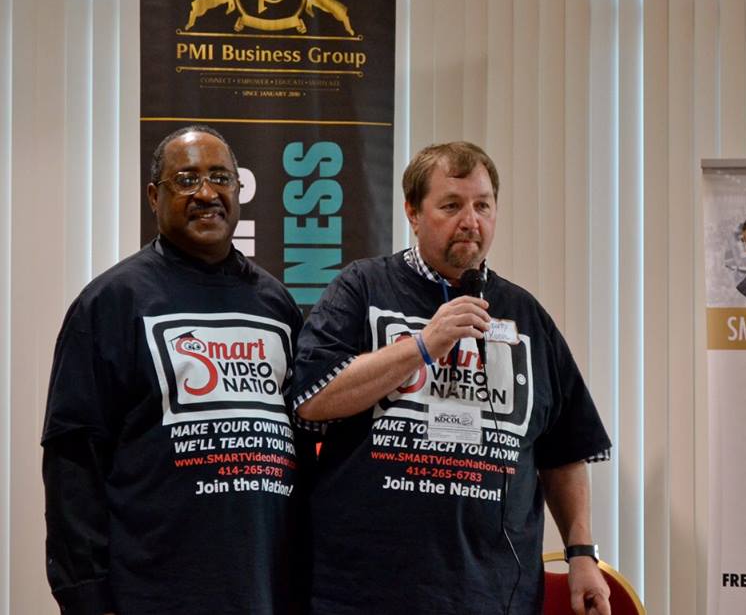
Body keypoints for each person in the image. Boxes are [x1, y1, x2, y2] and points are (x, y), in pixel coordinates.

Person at [292, 142, 613, 615]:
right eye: (451, 206)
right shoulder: (363, 287)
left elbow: (564, 450)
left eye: (483, 206)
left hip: (492, 591)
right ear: (412, 212)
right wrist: (423, 345)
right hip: (366, 589)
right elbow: (313, 397)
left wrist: (581, 553)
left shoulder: (525, 314)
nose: (470, 221)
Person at [42, 125, 304, 614]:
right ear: (153, 196)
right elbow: (73, 461)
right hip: (151, 590)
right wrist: (87, 595)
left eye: (221, 178)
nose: (207, 193)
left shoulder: (275, 303)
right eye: (186, 180)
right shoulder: (112, 302)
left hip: (265, 587)